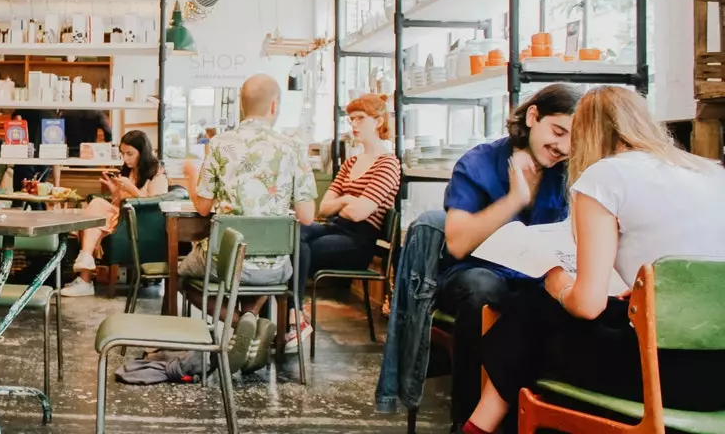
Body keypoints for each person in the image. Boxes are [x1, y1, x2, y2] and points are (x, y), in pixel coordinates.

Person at [464, 87, 725, 434]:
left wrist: (558, 285)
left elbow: (587, 305)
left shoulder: (605, 177)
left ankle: (478, 426)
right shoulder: (710, 172)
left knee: (532, 309)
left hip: (664, 376)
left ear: (584, 133)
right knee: (536, 323)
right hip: (717, 374)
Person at [438, 83, 581, 427]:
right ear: (533, 116)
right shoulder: (479, 162)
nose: (562, 146)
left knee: (574, 300)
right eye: (557, 131)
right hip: (475, 274)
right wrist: (514, 200)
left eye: (572, 140)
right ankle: (466, 418)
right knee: (484, 289)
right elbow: (457, 243)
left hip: (541, 278)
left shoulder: (570, 170)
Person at [184, 74, 317, 373]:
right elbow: (307, 216)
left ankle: (242, 324)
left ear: (241, 107)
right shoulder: (294, 147)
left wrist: (192, 178)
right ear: (274, 106)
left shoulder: (219, 143)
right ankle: (252, 323)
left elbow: (203, 208)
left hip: (229, 262)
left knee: (181, 276)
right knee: (262, 268)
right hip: (277, 267)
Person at [290, 93, 400, 350]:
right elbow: (325, 207)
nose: (354, 125)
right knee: (293, 232)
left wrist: (345, 202)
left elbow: (360, 213)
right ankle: (293, 316)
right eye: (351, 119)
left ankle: (292, 316)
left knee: (297, 248)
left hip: (359, 241)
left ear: (378, 121)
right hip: (335, 228)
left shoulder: (388, 164)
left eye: (360, 118)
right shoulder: (351, 162)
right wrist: (347, 199)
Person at [60, 130, 169, 297]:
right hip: (122, 218)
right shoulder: (129, 171)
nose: (125, 159)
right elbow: (120, 202)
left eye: (130, 154)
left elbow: (155, 205)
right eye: (123, 154)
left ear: (143, 151)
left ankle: (85, 277)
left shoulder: (157, 173)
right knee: (93, 218)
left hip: (140, 223)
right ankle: (85, 272)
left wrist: (130, 188)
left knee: (94, 211)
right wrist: (114, 189)